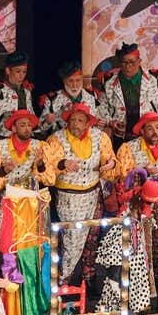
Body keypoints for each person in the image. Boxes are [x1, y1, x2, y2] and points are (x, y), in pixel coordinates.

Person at [41, 102, 118, 284]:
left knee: (91, 239)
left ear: (88, 123)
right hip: (69, 197)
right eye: (72, 120)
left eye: (80, 120)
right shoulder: (56, 139)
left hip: (93, 194)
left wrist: (110, 164)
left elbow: (112, 159)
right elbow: (47, 167)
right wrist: (62, 164)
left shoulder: (100, 137)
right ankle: (62, 282)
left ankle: (85, 281)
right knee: (72, 241)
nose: (75, 124)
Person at [114, 112, 158, 293]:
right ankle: (137, 279)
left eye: (157, 127)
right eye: (150, 128)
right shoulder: (129, 148)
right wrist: (142, 170)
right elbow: (122, 176)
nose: (154, 131)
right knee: (138, 240)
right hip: (138, 202)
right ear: (142, 130)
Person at [97, 170, 158, 314]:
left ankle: (135, 310)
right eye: (151, 202)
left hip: (137, 250)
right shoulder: (131, 204)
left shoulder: (143, 207)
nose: (153, 205)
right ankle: (111, 312)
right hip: (122, 245)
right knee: (115, 281)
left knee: (137, 280)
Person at [100, 42, 158, 144]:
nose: (128, 66)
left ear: (139, 61)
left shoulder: (152, 77)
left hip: (147, 131)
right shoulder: (109, 81)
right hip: (121, 133)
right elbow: (101, 107)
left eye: (132, 62)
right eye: (124, 62)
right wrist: (111, 122)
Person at [0, 109, 48, 229]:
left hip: (30, 201)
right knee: (6, 238)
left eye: (29, 125)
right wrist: (4, 170)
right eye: (22, 125)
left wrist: (39, 164)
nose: (27, 128)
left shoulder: (39, 146)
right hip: (7, 200)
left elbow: (48, 177)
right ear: (13, 128)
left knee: (27, 240)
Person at [0, 51, 37, 139]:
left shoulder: (26, 92)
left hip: (23, 138)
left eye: (24, 72)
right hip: (2, 138)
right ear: (8, 70)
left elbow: (31, 116)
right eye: (18, 71)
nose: (21, 76)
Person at [38, 61, 101, 137]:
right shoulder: (52, 99)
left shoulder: (92, 96)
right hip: (62, 142)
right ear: (64, 81)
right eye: (71, 81)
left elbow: (101, 119)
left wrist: (100, 122)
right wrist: (48, 122)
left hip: (87, 141)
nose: (74, 85)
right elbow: (40, 129)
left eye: (78, 80)